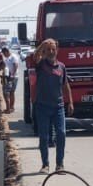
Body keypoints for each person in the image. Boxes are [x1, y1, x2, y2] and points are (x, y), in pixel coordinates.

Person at [32, 38, 71, 172]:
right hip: (42, 107)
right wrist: (42, 45)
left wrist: (70, 102)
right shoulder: (41, 64)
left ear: (57, 50)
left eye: (53, 49)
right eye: (48, 49)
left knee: (61, 133)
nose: (51, 52)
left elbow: (65, 85)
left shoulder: (61, 67)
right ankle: (45, 165)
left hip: (58, 107)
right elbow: (35, 57)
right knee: (44, 136)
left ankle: (59, 164)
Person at [2, 45, 20, 113]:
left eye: (4, 53)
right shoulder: (7, 58)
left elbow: (16, 66)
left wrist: (12, 75)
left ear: (7, 51)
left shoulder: (13, 57)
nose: (4, 55)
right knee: (11, 92)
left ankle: (9, 108)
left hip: (13, 77)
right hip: (8, 77)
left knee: (8, 92)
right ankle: (11, 107)